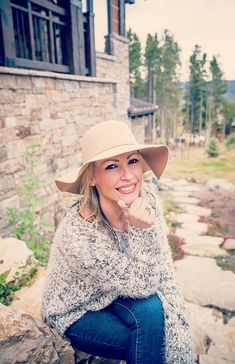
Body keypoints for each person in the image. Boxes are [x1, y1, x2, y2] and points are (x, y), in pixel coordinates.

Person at [41, 120, 194, 364]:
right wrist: (142, 230)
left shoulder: (148, 203)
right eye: (112, 166)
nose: (128, 175)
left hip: (118, 292)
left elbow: (163, 275)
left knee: (157, 315)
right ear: (92, 178)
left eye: (133, 161)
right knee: (152, 340)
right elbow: (144, 284)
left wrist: (180, 326)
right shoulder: (79, 235)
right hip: (78, 310)